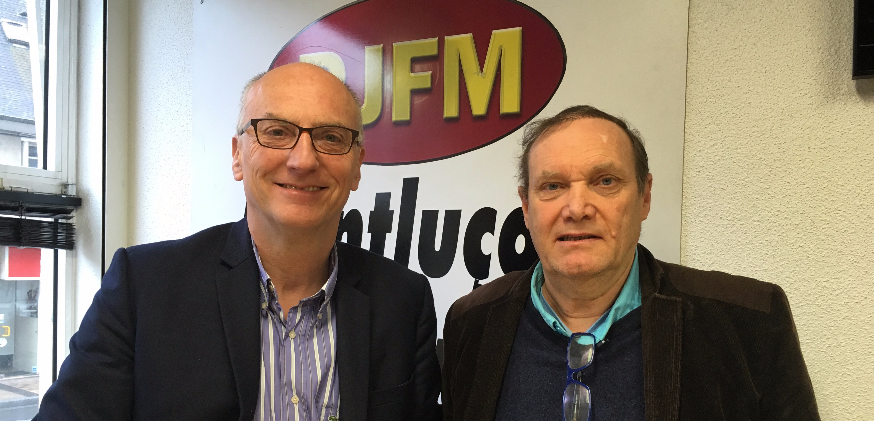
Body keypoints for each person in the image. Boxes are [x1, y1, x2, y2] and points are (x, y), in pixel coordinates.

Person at [35, 63, 442, 421]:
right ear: (237, 156)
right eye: (277, 132)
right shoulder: (143, 288)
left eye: (331, 138)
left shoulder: (403, 301)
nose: (303, 160)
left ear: (356, 167)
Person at [441, 105, 819, 421]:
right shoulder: (471, 322)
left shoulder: (748, 320)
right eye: (553, 186)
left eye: (605, 181)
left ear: (644, 197)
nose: (577, 208)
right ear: (526, 206)